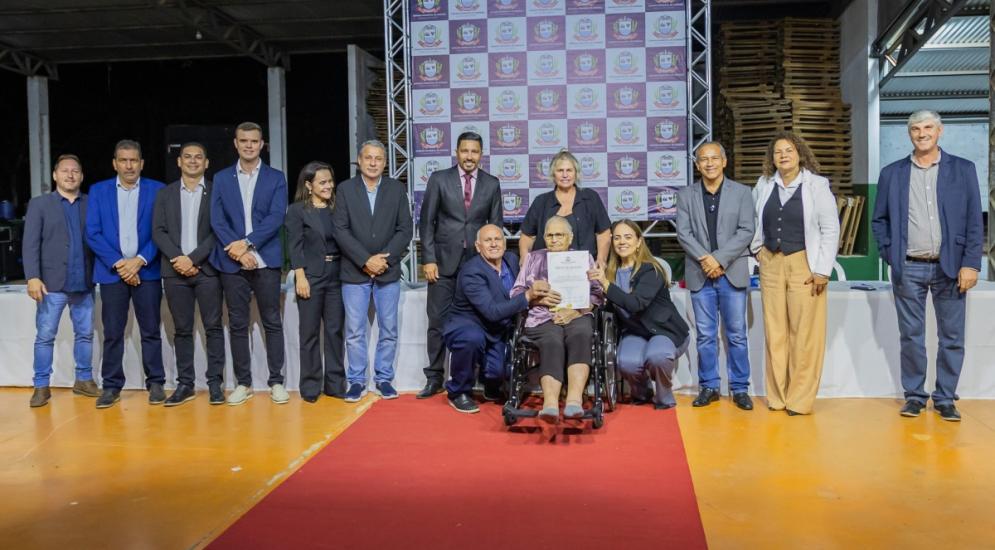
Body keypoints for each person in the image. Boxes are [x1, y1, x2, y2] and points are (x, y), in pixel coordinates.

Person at [871, 110, 982, 422]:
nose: (922, 134)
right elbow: (879, 220)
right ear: (909, 134)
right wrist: (890, 253)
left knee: (952, 337)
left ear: (940, 131)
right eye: (916, 129)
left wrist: (971, 264)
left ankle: (945, 398)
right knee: (911, 336)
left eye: (928, 127)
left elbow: (975, 221)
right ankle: (915, 396)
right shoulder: (892, 173)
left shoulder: (963, 169)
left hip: (952, 268)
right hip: (908, 267)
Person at [750, 131, 839, 416]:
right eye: (778, 151)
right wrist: (757, 249)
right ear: (772, 158)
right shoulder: (764, 184)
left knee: (805, 333)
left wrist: (822, 270)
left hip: (804, 263)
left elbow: (830, 228)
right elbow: (754, 219)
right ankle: (777, 396)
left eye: (789, 150)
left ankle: (799, 399)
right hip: (771, 262)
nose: (783, 155)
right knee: (775, 331)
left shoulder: (816, 185)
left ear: (800, 154)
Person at [417, 131, 503, 399]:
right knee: (437, 321)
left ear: (481, 154)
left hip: (477, 265)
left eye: (474, 152)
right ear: (456, 152)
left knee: (482, 320)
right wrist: (428, 258)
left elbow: (495, 227)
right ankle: (434, 377)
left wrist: (493, 264)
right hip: (442, 264)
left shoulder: (492, 183)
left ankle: (484, 376)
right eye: (465, 151)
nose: (469, 156)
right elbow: (426, 222)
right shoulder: (439, 179)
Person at [210, 122, 289, 406]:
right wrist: (238, 250)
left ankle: (276, 382)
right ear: (236, 143)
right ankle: (243, 383)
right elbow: (217, 219)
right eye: (244, 141)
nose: (249, 145)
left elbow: (276, 216)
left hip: (266, 259)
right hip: (232, 261)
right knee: (238, 323)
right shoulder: (221, 178)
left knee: (272, 321)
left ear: (262, 144)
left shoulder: (275, 177)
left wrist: (248, 244)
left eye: (254, 141)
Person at [676, 142, 756, 410]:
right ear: (697, 165)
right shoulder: (686, 195)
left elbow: (746, 230)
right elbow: (684, 233)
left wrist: (719, 259)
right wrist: (706, 259)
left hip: (731, 272)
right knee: (705, 336)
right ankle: (709, 386)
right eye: (703, 159)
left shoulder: (742, 192)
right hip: (700, 273)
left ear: (724, 161)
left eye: (714, 158)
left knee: (737, 335)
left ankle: (740, 388)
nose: (709, 163)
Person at [86, 140, 166, 409]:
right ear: (115, 164)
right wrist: (121, 264)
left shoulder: (158, 189)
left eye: (133, 160)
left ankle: (156, 383)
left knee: (151, 330)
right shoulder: (98, 191)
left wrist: (139, 261)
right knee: (112, 332)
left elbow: (161, 230)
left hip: (147, 271)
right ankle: (111, 386)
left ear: (141, 163)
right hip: (112, 273)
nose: (129, 165)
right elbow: (92, 233)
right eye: (123, 160)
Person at [443, 224, 557, 414]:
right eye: (488, 240)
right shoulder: (471, 272)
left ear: (504, 243)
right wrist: (529, 296)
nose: (494, 244)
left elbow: (523, 286)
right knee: (471, 339)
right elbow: (492, 311)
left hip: (498, 327)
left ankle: (490, 382)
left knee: (498, 373)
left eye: (497, 239)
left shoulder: (511, 259)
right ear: (478, 246)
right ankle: (458, 391)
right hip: (469, 324)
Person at [332, 140, 414, 403]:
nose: (373, 162)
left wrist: (383, 260)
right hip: (354, 271)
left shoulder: (396, 189)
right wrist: (365, 260)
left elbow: (405, 229)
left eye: (378, 158)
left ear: (385, 162)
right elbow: (340, 230)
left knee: (388, 329)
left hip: (387, 272)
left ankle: (384, 379)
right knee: (355, 331)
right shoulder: (345, 189)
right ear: (359, 160)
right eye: (368, 157)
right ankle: (356, 381)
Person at [22, 154, 100, 407]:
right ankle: (41, 386)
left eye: (75, 171)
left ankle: (84, 380)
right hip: (51, 284)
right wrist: (33, 277)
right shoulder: (40, 204)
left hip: (84, 282)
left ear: (82, 176)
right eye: (65, 170)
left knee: (85, 335)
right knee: (45, 336)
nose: (70, 175)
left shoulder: (91, 203)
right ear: (55, 175)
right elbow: (30, 243)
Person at [152, 142, 225, 407]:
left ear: (206, 163)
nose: (193, 161)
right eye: (187, 157)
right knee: (182, 330)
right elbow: (158, 231)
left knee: (213, 328)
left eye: (198, 157)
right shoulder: (165, 194)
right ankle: (185, 384)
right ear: (179, 162)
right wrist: (179, 259)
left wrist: (193, 259)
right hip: (174, 272)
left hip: (207, 270)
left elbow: (219, 230)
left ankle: (215, 384)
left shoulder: (217, 191)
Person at [510, 216, 603, 423]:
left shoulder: (583, 259)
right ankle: (550, 405)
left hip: (576, 313)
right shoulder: (533, 259)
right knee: (552, 339)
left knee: (581, 334)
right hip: (542, 316)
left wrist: (576, 310)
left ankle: (574, 401)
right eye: (549, 235)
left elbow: (597, 293)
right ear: (544, 238)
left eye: (559, 235)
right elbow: (515, 293)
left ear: (570, 237)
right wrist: (536, 298)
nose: (554, 239)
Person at [589, 220, 690, 409]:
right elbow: (610, 308)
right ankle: (642, 393)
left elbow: (635, 304)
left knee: (658, 356)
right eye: (617, 238)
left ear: (638, 242)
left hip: (663, 330)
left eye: (628, 237)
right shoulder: (610, 272)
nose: (622, 242)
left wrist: (606, 285)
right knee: (626, 363)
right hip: (634, 331)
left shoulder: (651, 269)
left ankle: (664, 397)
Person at [285, 161, 346, 402]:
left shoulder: (338, 208)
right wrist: (300, 276)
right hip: (311, 276)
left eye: (330, 181)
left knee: (334, 331)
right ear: (309, 185)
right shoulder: (297, 210)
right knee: (309, 333)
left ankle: (335, 384)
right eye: (323, 182)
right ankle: (310, 386)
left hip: (337, 275)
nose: (328, 186)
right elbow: (294, 246)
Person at [519, 150, 611, 266]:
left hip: (585, 269)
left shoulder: (591, 198)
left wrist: (601, 259)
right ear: (553, 174)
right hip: (546, 269)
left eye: (569, 170)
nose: (565, 175)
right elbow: (527, 236)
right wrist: (524, 259)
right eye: (560, 170)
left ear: (576, 173)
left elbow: (603, 233)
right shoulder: (541, 202)